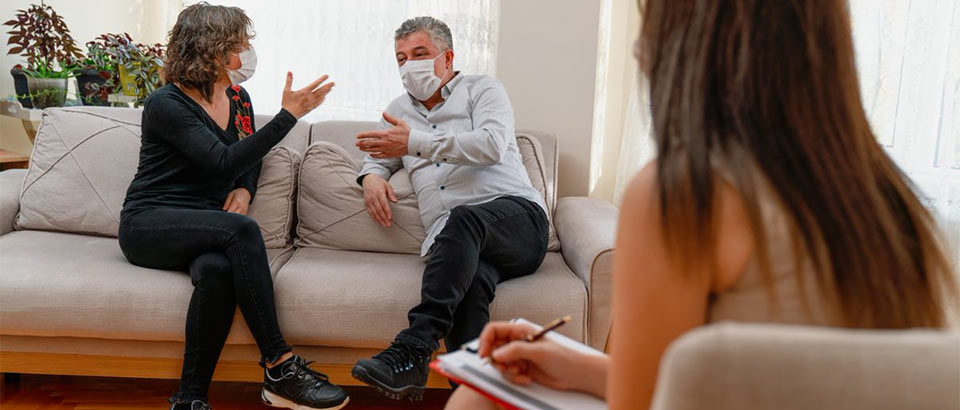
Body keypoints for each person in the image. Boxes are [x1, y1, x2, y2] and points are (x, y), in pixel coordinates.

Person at [445, 0, 958, 408]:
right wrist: (570, 362)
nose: (640, 49)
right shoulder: (893, 200)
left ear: (685, 43)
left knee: (478, 394)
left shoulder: (685, 193)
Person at [118, 4, 348, 410]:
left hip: (206, 222)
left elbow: (247, 156)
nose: (248, 52)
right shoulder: (166, 104)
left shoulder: (238, 98)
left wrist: (245, 190)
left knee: (217, 269)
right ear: (212, 49)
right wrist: (288, 116)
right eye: (240, 44)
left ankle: (189, 399)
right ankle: (280, 365)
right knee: (242, 231)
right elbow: (221, 160)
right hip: (149, 222)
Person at [347, 16, 550, 401]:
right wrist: (370, 177)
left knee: (463, 218)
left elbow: (490, 145)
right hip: (456, 241)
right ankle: (470, 398)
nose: (409, 65)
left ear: (447, 56)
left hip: (518, 222)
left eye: (419, 54)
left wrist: (415, 143)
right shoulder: (396, 110)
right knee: (468, 288)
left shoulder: (483, 91)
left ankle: (414, 347)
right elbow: (378, 156)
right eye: (401, 58)